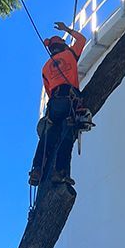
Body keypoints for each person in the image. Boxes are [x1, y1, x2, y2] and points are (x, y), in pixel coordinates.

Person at [28, 21, 89, 189]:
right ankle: (60, 172)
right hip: (70, 98)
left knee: (49, 137)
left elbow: (48, 90)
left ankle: (37, 169)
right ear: (62, 45)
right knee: (67, 135)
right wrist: (66, 29)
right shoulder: (69, 54)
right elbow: (82, 40)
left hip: (54, 103)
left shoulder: (46, 67)